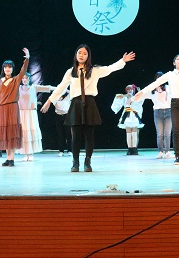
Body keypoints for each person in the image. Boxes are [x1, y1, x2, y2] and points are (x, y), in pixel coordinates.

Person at [41, 44, 136, 173]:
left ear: (88, 56)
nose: (82, 55)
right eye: (79, 52)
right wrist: (49, 101)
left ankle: (87, 162)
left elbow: (109, 69)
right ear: (76, 54)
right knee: (75, 136)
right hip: (76, 104)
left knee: (89, 136)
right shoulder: (70, 72)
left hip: (89, 103)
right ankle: (75, 162)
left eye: (85, 53)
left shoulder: (94, 70)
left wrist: (122, 61)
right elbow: (61, 87)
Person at [17, 72, 55, 161]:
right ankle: (25, 154)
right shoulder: (18, 88)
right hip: (22, 113)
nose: (24, 80)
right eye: (23, 78)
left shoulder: (34, 87)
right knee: (23, 133)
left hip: (31, 113)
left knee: (30, 132)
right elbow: (8, 85)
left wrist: (61, 89)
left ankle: (30, 153)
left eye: (26, 78)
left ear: (29, 79)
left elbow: (47, 88)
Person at [138, 72, 173, 159]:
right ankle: (160, 152)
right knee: (160, 134)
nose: (160, 79)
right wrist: (133, 98)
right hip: (157, 112)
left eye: (161, 77)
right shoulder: (152, 89)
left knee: (167, 133)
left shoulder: (168, 88)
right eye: (158, 77)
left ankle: (167, 152)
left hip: (168, 111)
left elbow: (177, 92)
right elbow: (142, 95)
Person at [111, 84, 145, 156]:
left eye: (131, 89)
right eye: (128, 89)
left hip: (134, 115)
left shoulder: (136, 97)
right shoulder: (124, 97)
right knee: (128, 132)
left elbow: (141, 102)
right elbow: (117, 101)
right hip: (127, 115)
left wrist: (139, 93)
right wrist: (121, 96)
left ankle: (134, 148)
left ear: (133, 90)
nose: (129, 90)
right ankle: (129, 149)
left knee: (134, 132)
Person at [53, 90, 72, 157]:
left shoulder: (68, 96)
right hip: (58, 116)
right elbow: (56, 106)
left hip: (66, 116)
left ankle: (70, 150)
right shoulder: (55, 96)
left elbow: (72, 93)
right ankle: (61, 150)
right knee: (60, 134)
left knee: (68, 134)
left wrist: (66, 91)